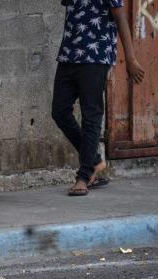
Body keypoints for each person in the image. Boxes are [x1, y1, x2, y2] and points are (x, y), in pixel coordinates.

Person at [53, 0, 145, 196]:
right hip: (69, 55)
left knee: (91, 116)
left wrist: (130, 58)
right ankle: (94, 161)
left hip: (95, 56)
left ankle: (84, 176)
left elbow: (120, 16)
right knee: (59, 112)